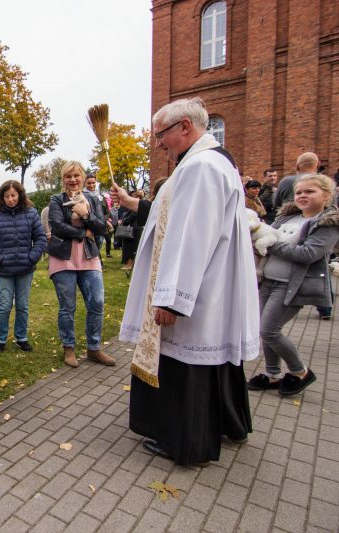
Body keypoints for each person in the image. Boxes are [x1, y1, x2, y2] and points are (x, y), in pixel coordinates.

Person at [119, 97, 259, 466]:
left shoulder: (200, 167)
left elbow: (190, 237)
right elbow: (170, 215)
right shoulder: (210, 162)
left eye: (160, 134)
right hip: (209, 287)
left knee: (189, 363)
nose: (158, 144)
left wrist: (171, 298)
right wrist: (134, 204)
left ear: (184, 127)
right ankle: (230, 424)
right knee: (215, 360)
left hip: (195, 291)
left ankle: (187, 443)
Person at [247, 173, 337, 395]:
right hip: (268, 280)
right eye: (299, 192)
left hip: (290, 286)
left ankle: (300, 372)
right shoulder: (288, 217)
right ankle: (272, 374)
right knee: (263, 330)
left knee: (269, 330)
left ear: (326, 195)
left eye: (310, 191)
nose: (302, 196)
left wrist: (269, 244)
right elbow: (266, 234)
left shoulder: (327, 224)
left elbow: (308, 253)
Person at [47, 161, 113, 368]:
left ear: (82, 177)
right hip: (63, 258)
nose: (73, 179)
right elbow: (58, 226)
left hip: (89, 257)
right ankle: (69, 348)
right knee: (67, 306)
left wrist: (85, 214)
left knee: (97, 303)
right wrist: (84, 232)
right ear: (63, 179)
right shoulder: (57, 200)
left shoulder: (93, 199)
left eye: (76, 175)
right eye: (68, 176)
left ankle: (94, 348)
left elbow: (102, 227)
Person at [0, 180, 47, 353]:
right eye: (6, 196)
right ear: (2, 197)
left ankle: (21, 337)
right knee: (4, 305)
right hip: (3, 270)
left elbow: (40, 239)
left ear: (20, 195)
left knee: (22, 305)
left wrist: (32, 258)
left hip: (25, 268)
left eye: (13, 195)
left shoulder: (31, 213)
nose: (10, 199)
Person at [84, 175, 110, 256]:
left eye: (93, 183)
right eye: (89, 183)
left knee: (98, 247)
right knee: (92, 249)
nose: (91, 185)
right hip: (89, 227)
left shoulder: (101, 196)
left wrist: (103, 220)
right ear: (84, 183)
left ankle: (98, 261)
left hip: (101, 227)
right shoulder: (83, 196)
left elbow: (107, 211)